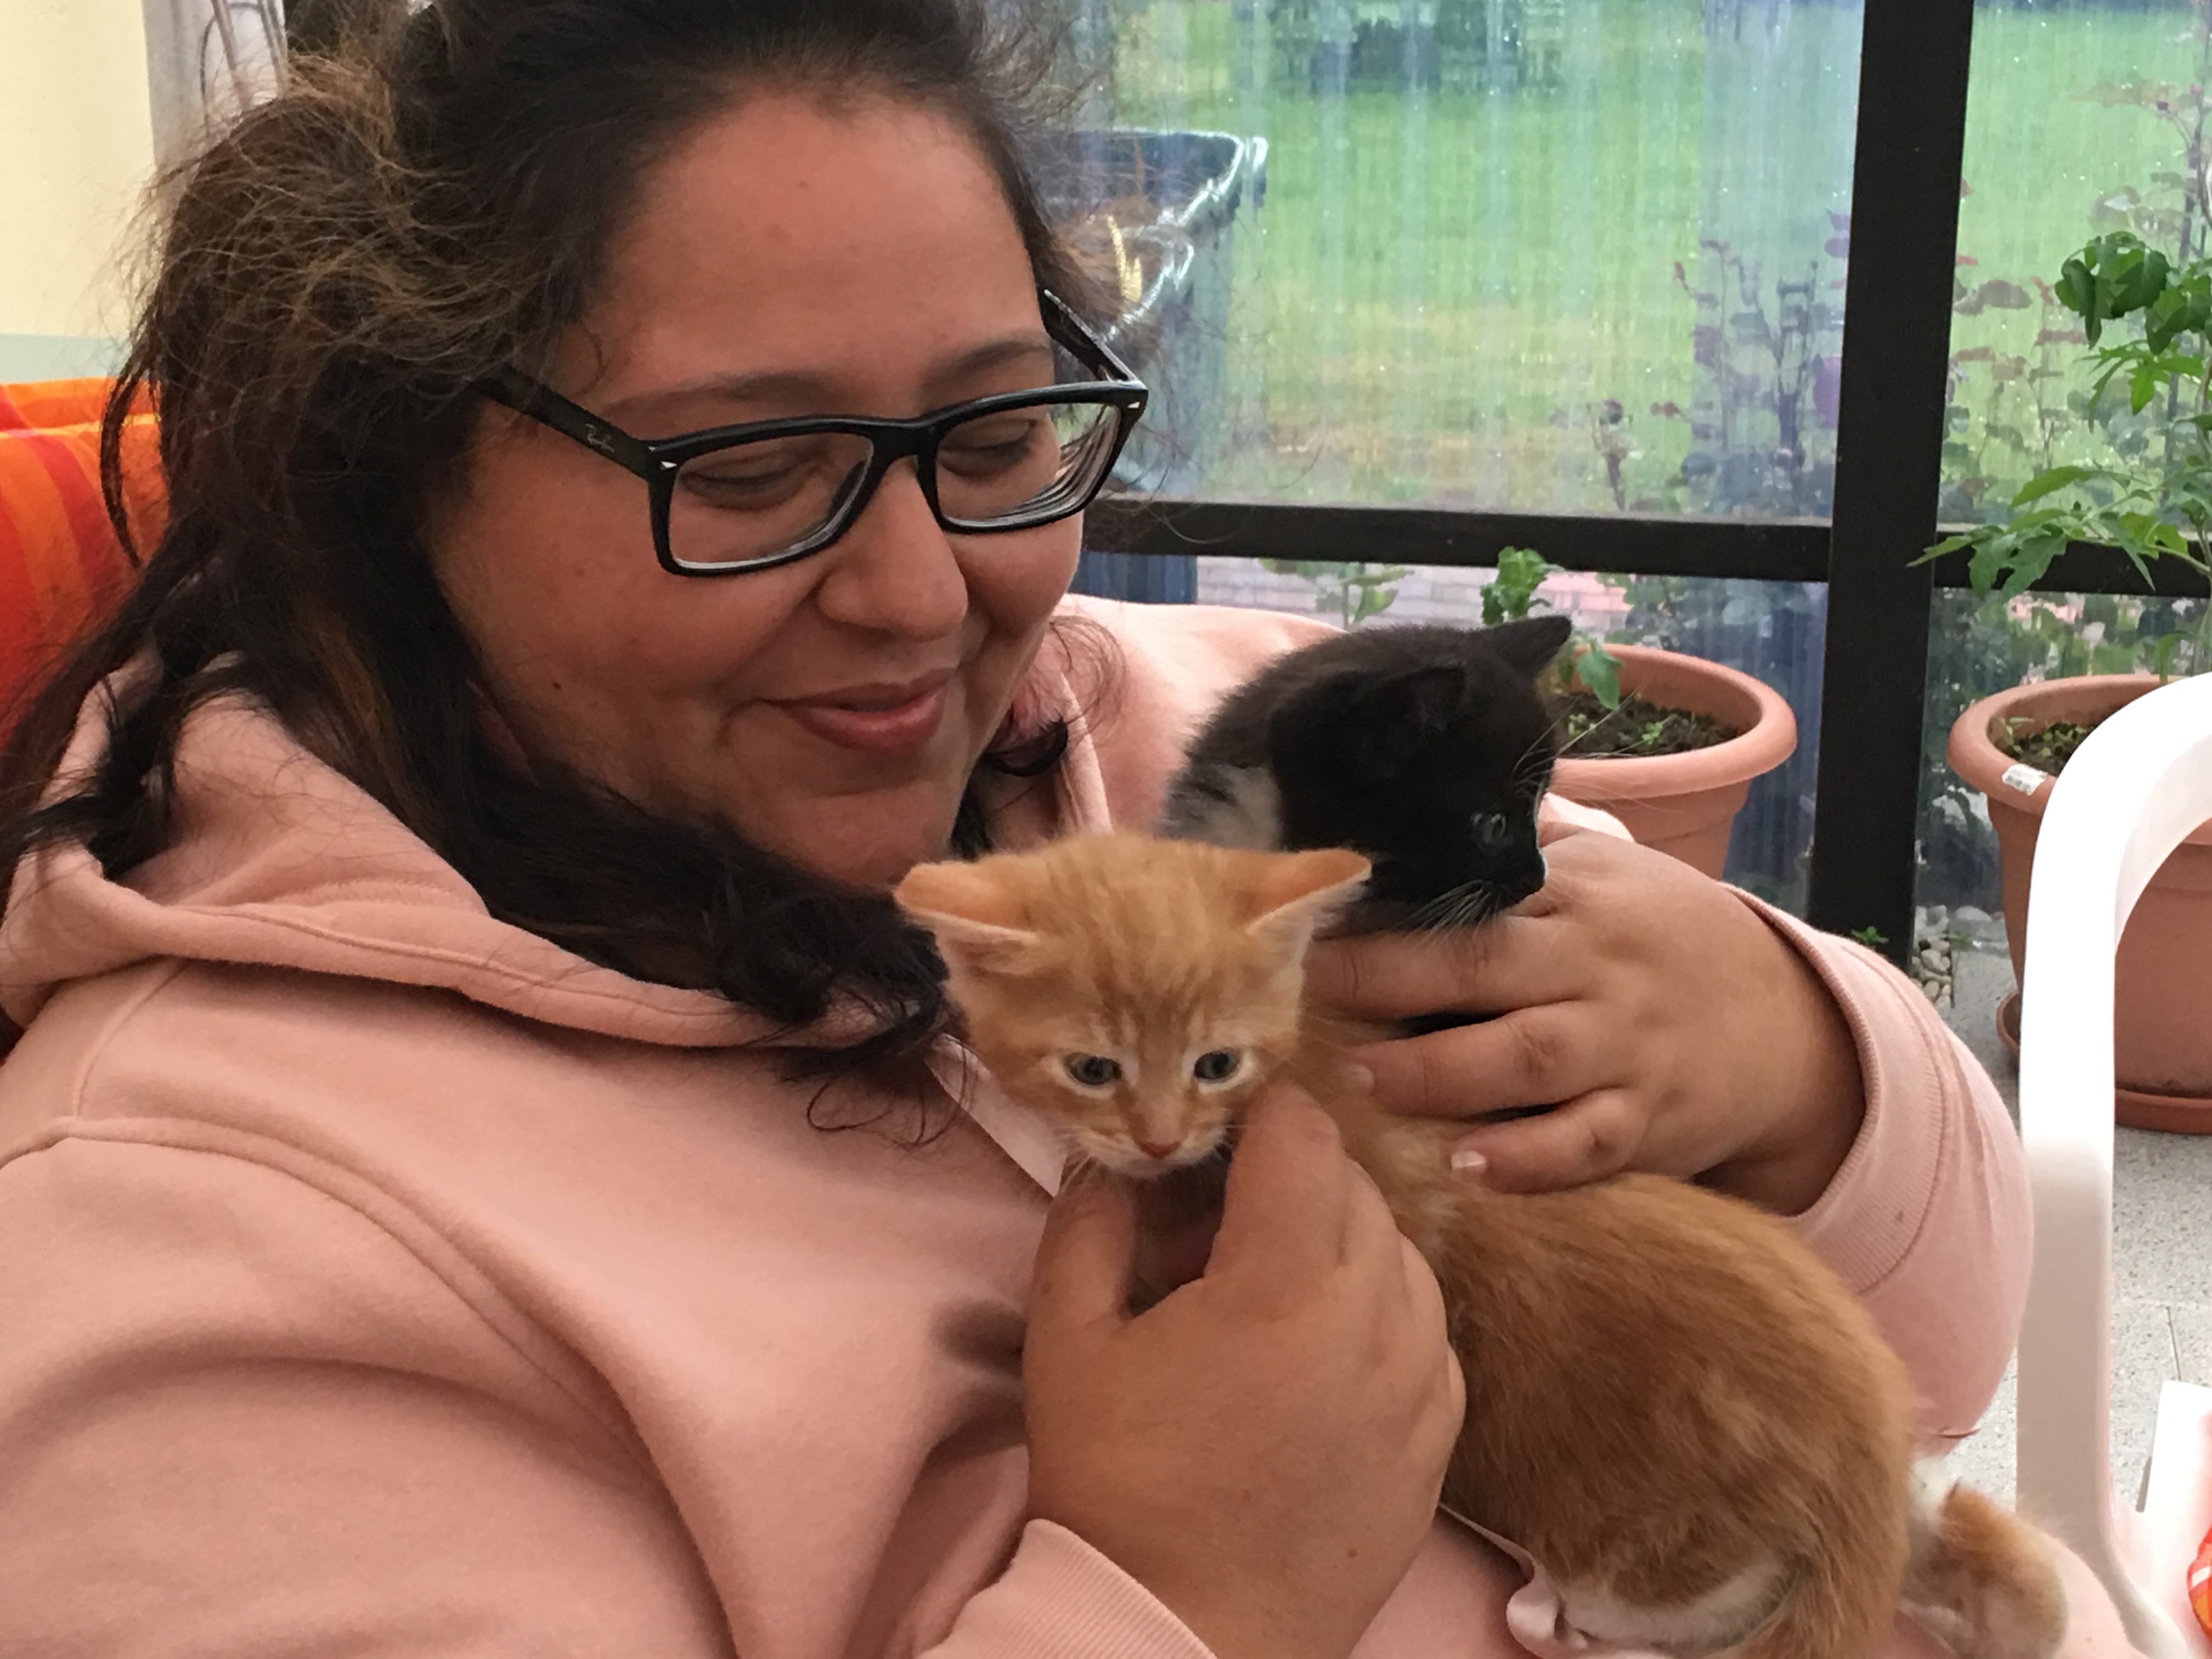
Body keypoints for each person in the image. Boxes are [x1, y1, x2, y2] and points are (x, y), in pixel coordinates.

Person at [0, 2, 2132, 1655]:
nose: (924, 594)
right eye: (745, 471)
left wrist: (1792, 1052)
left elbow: (1938, 1339)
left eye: (997, 430)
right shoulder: (205, 1283)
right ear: (386, 482)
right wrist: (1179, 1600)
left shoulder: (1223, 757)